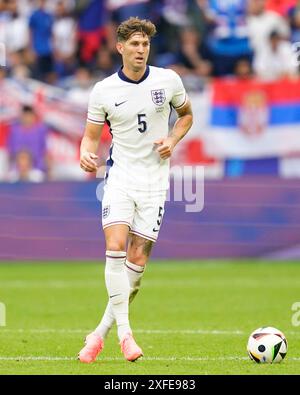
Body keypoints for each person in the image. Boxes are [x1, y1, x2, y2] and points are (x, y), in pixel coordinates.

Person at [78, 16, 193, 363]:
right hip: (121, 179)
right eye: (134, 44)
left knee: (137, 266)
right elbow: (91, 138)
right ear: (120, 48)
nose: (141, 50)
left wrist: (172, 139)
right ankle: (126, 335)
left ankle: (98, 334)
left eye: (145, 44)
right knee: (114, 246)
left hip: (155, 183)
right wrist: (85, 153)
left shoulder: (168, 80)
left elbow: (186, 115)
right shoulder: (103, 91)